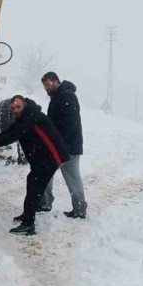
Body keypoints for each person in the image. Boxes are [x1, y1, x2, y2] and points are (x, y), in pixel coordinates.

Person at [0, 95, 70, 235]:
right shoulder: (23, 116)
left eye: (18, 107)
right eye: (13, 108)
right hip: (42, 159)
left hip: (51, 158)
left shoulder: (32, 116)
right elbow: (8, 131)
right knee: (32, 184)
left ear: (25, 104)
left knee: (34, 188)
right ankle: (27, 215)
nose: (15, 110)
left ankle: (28, 225)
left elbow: (14, 135)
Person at [39, 72, 88, 218]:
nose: (46, 89)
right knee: (45, 173)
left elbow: (69, 124)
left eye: (47, 85)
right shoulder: (58, 96)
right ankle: (44, 203)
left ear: (55, 81)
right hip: (59, 146)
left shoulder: (67, 96)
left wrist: (58, 143)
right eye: (44, 86)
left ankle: (79, 209)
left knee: (72, 177)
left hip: (68, 147)